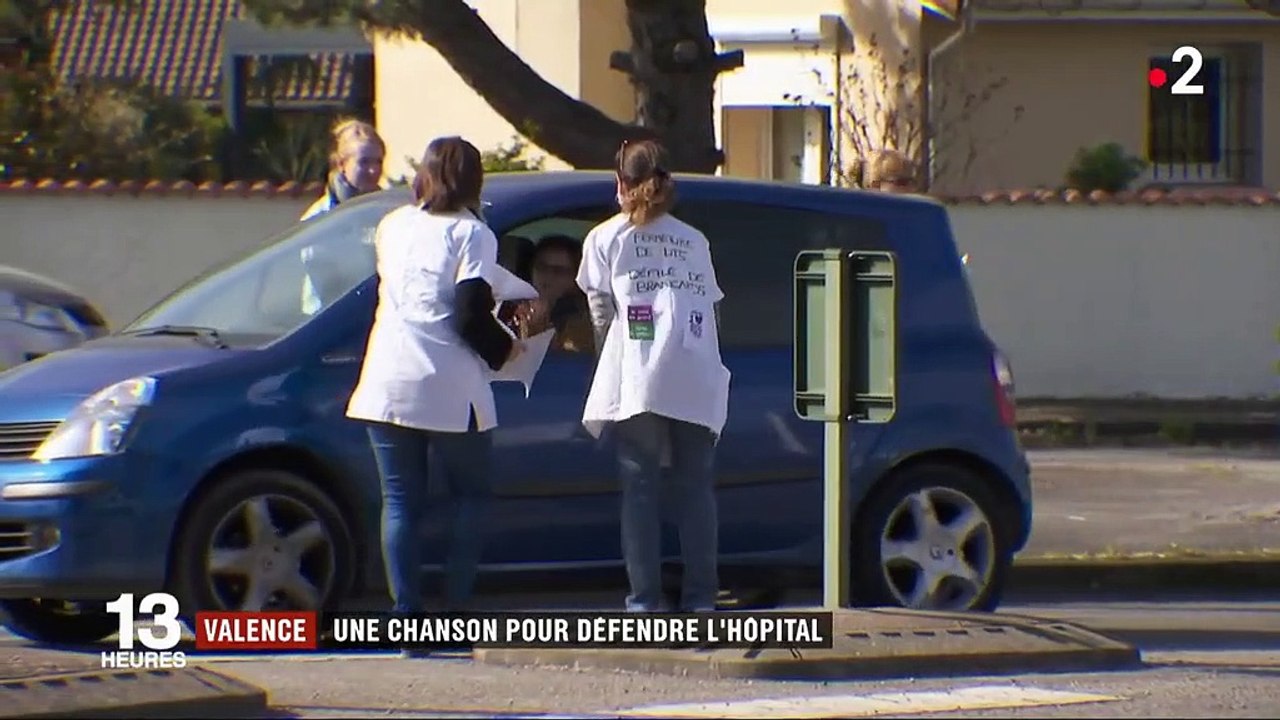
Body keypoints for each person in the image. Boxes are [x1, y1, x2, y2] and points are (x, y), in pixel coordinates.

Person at [345, 136, 523, 632]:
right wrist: (508, 350)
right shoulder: (472, 234)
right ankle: (456, 606)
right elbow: (469, 314)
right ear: (474, 180)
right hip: (447, 382)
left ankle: (406, 612)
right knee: (471, 494)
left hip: (384, 378)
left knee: (400, 501)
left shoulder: (393, 225)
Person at [575, 139, 731, 613]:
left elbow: (601, 315)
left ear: (619, 183)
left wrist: (607, 368)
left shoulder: (605, 238)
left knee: (640, 491)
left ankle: (645, 602)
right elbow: (713, 310)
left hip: (639, 373)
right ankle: (702, 599)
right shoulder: (693, 239)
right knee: (695, 489)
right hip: (694, 367)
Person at [299, 119, 387, 314]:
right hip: (330, 323)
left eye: (378, 162)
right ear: (341, 164)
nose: (374, 171)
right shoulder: (319, 220)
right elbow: (325, 285)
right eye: (364, 162)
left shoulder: (387, 213)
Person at [512, 235, 595, 353]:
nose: (548, 277)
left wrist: (537, 327)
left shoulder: (585, 321)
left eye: (559, 271)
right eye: (541, 267)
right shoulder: (512, 307)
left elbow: (563, 361)